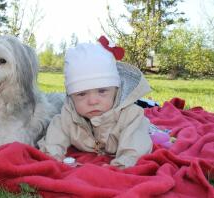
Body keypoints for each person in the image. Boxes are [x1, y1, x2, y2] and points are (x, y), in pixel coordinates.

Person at [38, 36, 153, 169]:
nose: (93, 101)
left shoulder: (130, 116)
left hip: (127, 146)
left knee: (144, 129)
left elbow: (135, 149)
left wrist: (121, 165)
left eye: (102, 91)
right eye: (81, 94)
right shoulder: (67, 117)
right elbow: (53, 141)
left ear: (116, 90)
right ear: (71, 97)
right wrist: (53, 156)